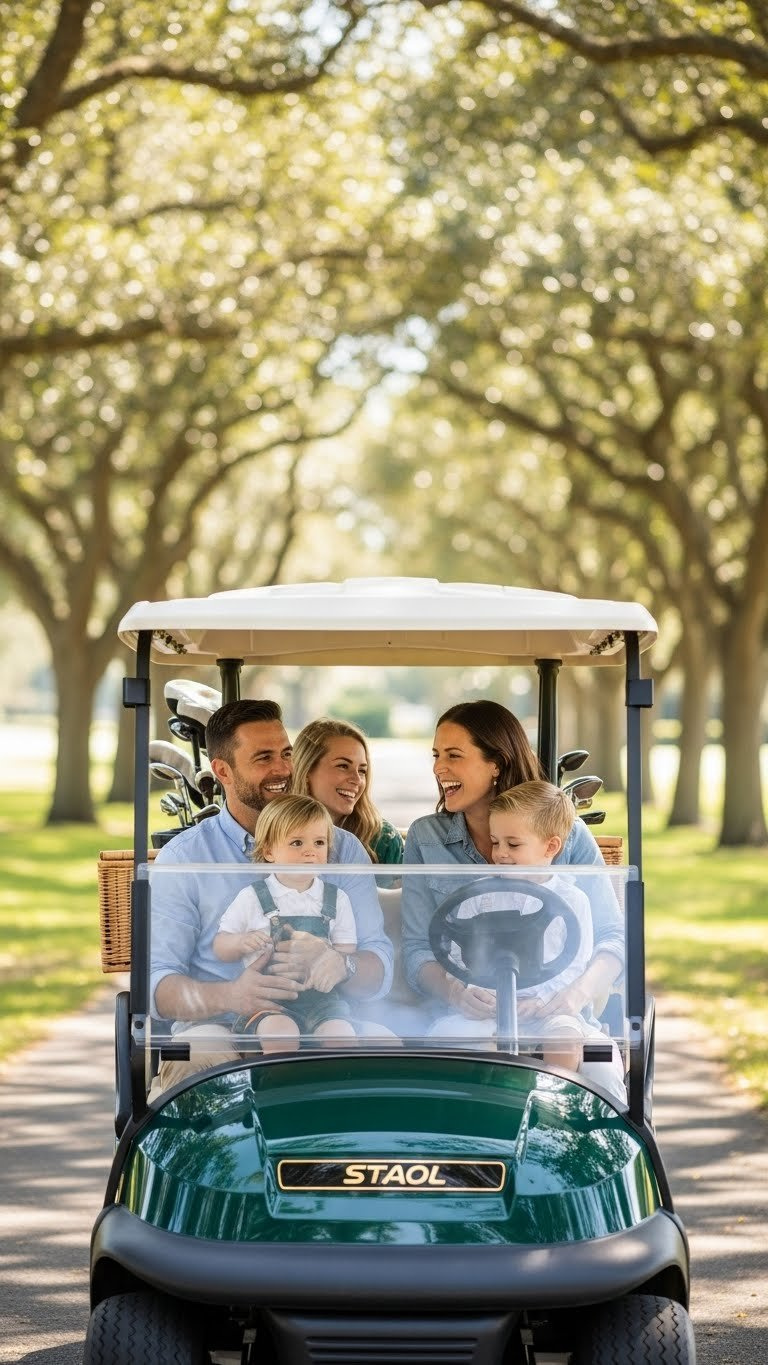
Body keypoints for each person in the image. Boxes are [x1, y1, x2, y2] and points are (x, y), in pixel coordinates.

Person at [149, 700, 393, 1093]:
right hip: (222, 1026)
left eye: (286, 754)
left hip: (326, 1015)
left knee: (394, 1051)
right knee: (197, 1058)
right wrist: (232, 995)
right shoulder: (186, 857)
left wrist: (341, 964)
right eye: (263, 758)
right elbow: (158, 986)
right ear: (223, 771)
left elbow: (378, 964)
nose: (282, 769)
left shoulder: (342, 849)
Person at [401, 700, 625, 1086]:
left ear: (497, 764)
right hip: (471, 1014)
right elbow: (419, 946)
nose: (439, 768)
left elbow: (612, 937)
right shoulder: (427, 837)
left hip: (559, 1012)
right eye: (436, 755)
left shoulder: (567, 835)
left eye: (454, 755)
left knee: (603, 1077)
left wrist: (570, 997)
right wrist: (456, 992)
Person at [427, 782, 625, 1100]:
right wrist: (471, 990)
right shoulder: (479, 895)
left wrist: (544, 1001)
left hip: (554, 1008)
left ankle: (551, 1110)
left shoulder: (572, 899)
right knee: (448, 1040)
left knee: (571, 1046)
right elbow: (455, 952)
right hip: (488, 1009)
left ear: (550, 848)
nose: (500, 853)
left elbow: (577, 962)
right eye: (495, 842)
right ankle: (487, 1114)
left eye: (513, 844)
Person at [214, 795, 357, 1051]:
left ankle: (336, 1085)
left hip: (323, 1001)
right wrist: (241, 942)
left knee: (341, 1034)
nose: (310, 850)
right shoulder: (253, 897)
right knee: (281, 1034)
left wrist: (333, 962)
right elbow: (221, 946)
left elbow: (346, 950)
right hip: (268, 999)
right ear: (269, 851)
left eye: (319, 842)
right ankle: (277, 1085)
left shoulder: (336, 899)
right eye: (297, 842)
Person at [290, 717, 404, 865]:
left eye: (362, 771)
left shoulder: (383, 840)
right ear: (306, 771)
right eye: (343, 766)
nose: (357, 779)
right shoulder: (274, 830)